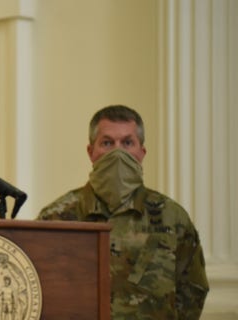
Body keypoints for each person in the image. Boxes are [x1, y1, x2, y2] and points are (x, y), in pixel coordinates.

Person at [37, 105, 208, 319]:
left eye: (127, 143)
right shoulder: (55, 218)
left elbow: (193, 289)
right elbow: (39, 292)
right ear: (91, 152)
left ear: (141, 152)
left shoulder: (172, 218)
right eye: (107, 143)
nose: (118, 153)